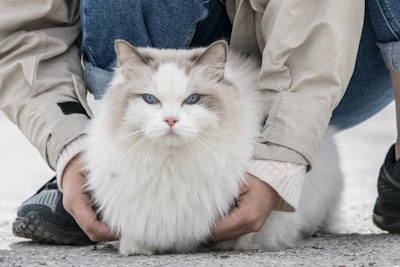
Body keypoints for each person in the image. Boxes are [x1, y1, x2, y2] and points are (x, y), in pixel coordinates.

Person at [0, 0, 397, 245]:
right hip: (165, 80)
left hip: (329, 61)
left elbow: (316, 12)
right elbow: (24, 29)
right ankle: (112, 168)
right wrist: (70, 146)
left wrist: (282, 153)